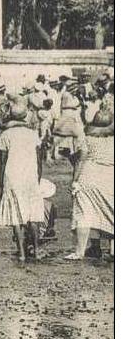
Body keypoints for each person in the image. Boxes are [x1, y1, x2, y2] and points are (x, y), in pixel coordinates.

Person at [0, 101, 44, 262]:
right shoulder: (33, 134)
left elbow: (1, 162)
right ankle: (37, 250)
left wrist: (1, 184)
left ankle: (22, 252)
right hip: (30, 175)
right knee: (33, 214)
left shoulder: (5, 135)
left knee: (16, 216)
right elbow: (39, 159)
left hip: (12, 175)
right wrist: (38, 177)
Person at [65, 108, 114, 261]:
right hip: (111, 176)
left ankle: (81, 251)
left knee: (85, 213)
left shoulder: (87, 138)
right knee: (111, 212)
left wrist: (75, 180)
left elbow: (81, 160)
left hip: (89, 174)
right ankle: (113, 250)